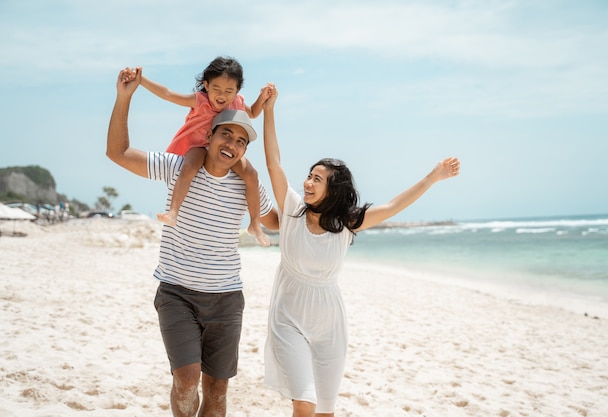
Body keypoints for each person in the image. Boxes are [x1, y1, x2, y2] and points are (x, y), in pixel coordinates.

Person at [261, 89, 460, 416]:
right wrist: (269, 110)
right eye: (309, 176)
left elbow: (394, 205)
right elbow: (273, 162)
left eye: (317, 179)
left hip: (330, 324)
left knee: (325, 410)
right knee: (304, 403)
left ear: (333, 189)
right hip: (288, 319)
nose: (308, 183)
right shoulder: (292, 209)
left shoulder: (346, 223)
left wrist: (434, 177)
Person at [107, 66, 279, 417]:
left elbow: (277, 221)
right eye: (226, 135)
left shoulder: (248, 186)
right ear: (210, 136)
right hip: (176, 294)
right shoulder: (178, 166)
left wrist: (324, 218)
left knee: (217, 392)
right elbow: (119, 152)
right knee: (186, 380)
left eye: (240, 140)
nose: (231, 144)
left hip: (227, 300)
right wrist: (124, 97)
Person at [121, 57, 274, 246]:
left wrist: (263, 97)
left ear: (237, 91)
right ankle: (173, 211)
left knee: (251, 174)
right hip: (198, 147)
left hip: (223, 152)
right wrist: (141, 80)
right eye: (216, 89)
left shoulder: (237, 102)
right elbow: (169, 94)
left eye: (229, 91)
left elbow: (253, 113)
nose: (222, 95)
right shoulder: (199, 100)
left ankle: (255, 224)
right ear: (206, 85)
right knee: (190, 166)